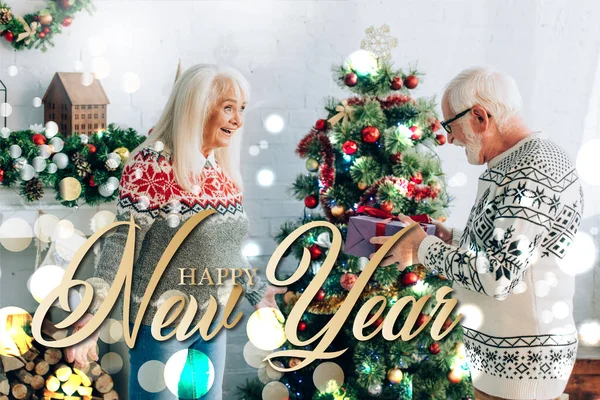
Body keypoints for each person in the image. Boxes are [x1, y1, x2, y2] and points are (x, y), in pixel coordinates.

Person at [65, 64, 286, 399]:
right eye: (228, 108)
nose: (238, 121)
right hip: (160, 325)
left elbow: (226, 251)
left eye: (241, 109)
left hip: (211, 324)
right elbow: (121, 245)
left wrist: (259, 294)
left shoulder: (222, 172)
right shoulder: (150, 166)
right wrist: (91, 314)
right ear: (197, 107)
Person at [370, 66, 583, 400]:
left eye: (450, 127)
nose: (449, 139)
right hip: (508, 364)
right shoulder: (516, 164)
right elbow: (506, 251)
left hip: (522, 369)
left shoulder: (531, 174)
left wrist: (422, 249)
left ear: (481, 117)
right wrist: (449, 238)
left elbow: (498, 277)